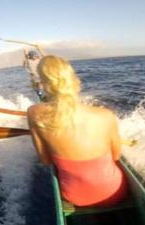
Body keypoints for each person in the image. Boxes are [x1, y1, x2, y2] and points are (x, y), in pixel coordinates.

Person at [27, 55, 127, 207]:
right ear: (74, 80)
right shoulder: (106, 115)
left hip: (75, 197)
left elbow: (46, 160)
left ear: (43, 84)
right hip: (115, 193)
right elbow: (116, 156)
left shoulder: (34, 113)